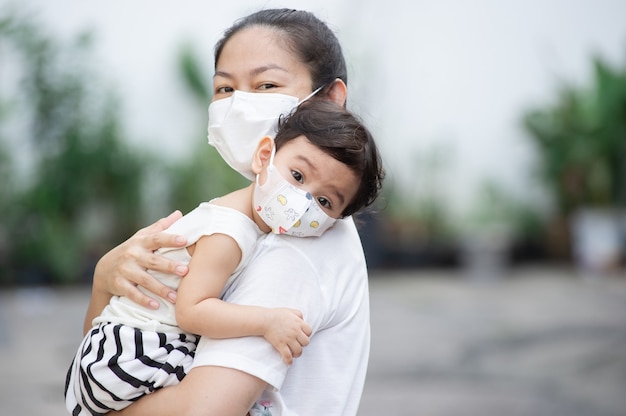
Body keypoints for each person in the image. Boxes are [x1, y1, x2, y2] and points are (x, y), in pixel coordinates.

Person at [84, 8, 378, 416]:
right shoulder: (256, 222)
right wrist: (105, 281)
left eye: (266, 84)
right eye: (225, 89)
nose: (240, 105)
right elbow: (100, 361)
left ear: (330, 99)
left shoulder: (296, 245)